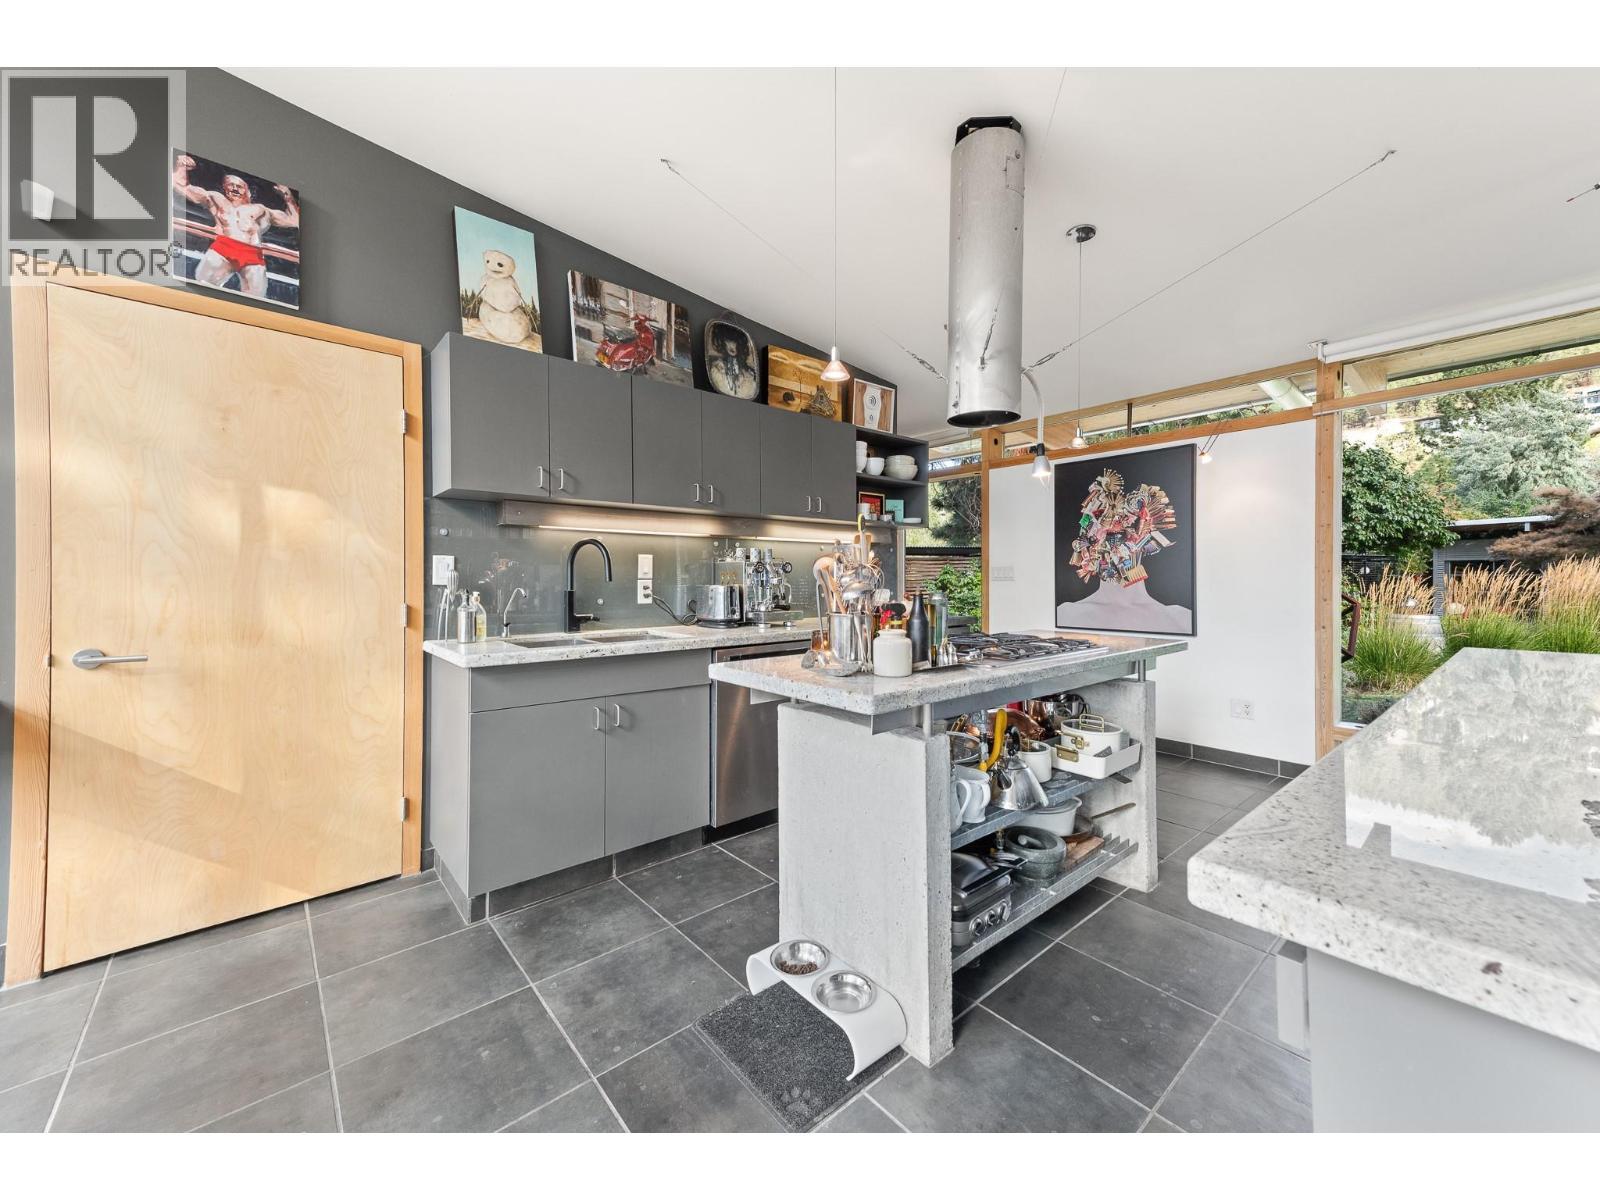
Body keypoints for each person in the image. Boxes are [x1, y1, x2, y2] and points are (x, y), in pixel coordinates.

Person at [172, 155, 298, 298]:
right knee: (202, 288)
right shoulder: (216, 199)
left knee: (255, 300)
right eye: (230, 185)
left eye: (239, 186)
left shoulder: (262, 210)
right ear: (225, 188)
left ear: (247, 191)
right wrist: (181, 166)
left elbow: (294, 221)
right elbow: (182, 187)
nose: (234, 188)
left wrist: (288, 196)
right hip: (224, 248)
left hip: (252, 254)